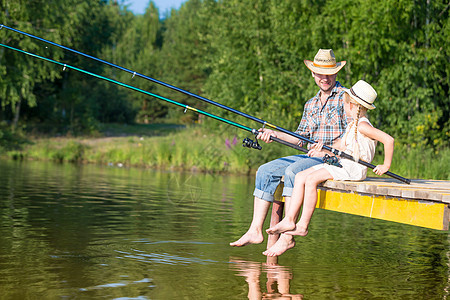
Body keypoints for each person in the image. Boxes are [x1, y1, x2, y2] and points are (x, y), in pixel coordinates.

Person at [230, 49, 348, 247]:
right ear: (313, 73)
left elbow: (353, 135)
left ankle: (287, 236)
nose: (325, 78)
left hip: (332, 159)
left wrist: (327, 150)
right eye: (320, 73)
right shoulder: (310, 104)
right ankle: (255, 231)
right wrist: (274, 135)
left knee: (293, 171)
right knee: (264, 171)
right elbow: (299, 138)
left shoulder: (345, 98)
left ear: (336, 73)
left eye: (329, 73)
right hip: (310, 156)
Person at [263, 80, 395, 257]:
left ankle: (302, 226)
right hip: (343, 164)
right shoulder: (353, 126)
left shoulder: (363, 125)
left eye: (345, 104)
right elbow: (339, 147)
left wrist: (385, 165)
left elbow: (389, 140)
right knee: (301, 176)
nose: (344, 107)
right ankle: (289, 220)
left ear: (352, 106)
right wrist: (321, 150)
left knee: (310, 179)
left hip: (353, 169)